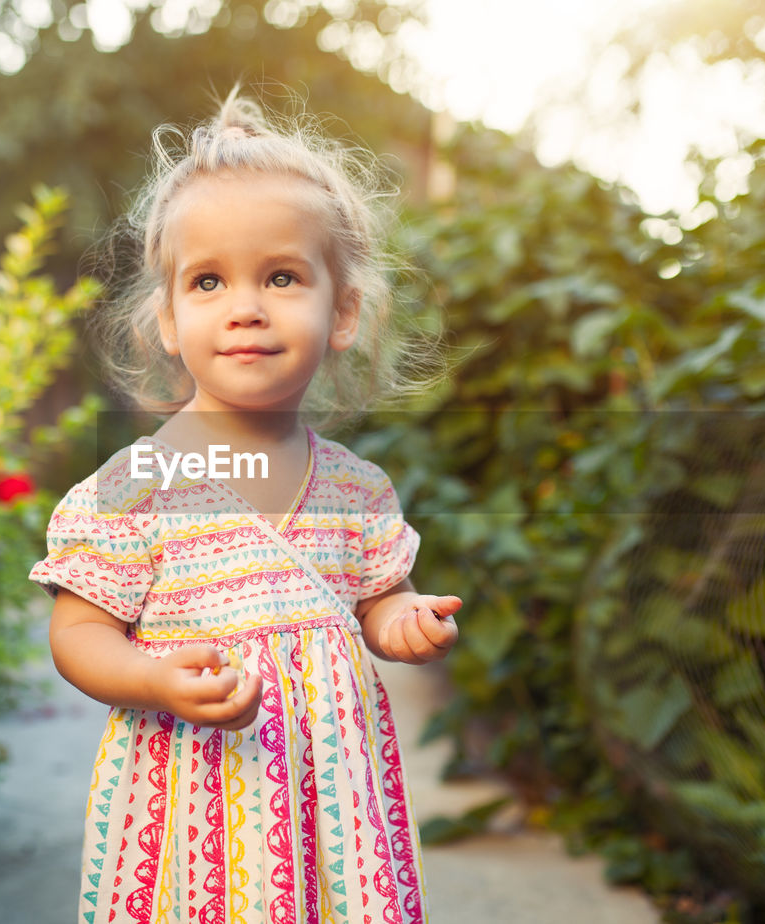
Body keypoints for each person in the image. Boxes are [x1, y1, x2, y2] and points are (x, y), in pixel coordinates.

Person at [29, 89, 461, 923]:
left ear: (341, 312)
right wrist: (152, 677)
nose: (246, 306)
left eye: (283, 276)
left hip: (333, 817)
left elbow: (372, 600)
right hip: (195, 816)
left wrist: (400, 618)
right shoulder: (133, 491)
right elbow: (78, 633)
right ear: (166, 317)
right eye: (208, 280)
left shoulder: (356, 490)